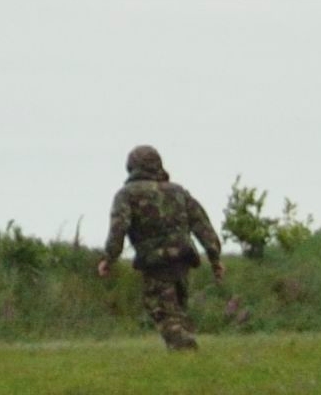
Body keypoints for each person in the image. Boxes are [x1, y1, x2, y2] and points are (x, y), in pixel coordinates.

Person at [94, 144, 225, 351]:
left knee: (162, 312)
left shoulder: (127, 195)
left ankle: (186, 351)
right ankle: (187, 363)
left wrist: (108, 259)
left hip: (155, 262)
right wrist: (215, 258)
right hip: (183, 260)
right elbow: (202, 225)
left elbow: (118, 229)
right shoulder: (178, 192)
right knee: (178, 312)